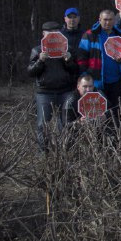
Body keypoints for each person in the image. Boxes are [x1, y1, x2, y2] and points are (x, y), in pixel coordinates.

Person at [28, 21, 78, 149]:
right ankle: (43, 153)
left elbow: (75, 70)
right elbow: (30, 72)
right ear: (43, 34)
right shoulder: (37, 50)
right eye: (50, 32)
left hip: (65, 90)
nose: (53, 35)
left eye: (56, 32)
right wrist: (40, 60)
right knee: (42, 124)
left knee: (66, 123)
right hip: (45, 92)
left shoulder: (67, 49)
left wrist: (69, 60)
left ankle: (66, 151)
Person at [77, 9, 121, 108]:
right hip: (96, 82)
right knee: (99, 111)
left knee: (116, 111)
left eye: (110, 19)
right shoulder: (90, 35)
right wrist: (85, 77)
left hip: (117, 81)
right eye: (105, 19)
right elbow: (81, 58)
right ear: (99, 19)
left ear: (114, 20)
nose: (107, 22)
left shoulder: (120, 35)